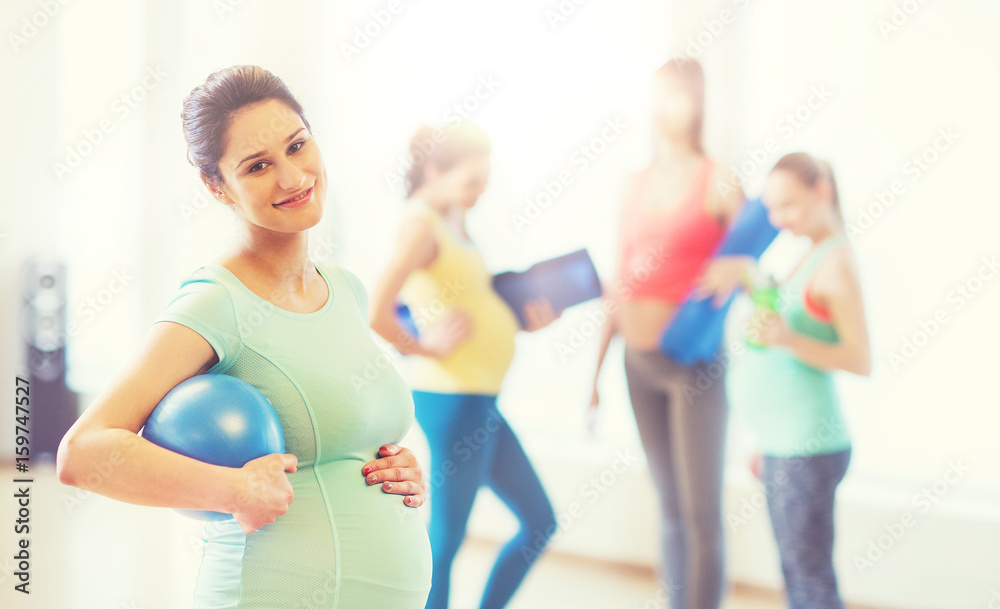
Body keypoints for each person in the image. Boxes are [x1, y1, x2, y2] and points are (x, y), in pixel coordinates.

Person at [56, 65, 432, 608]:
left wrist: (395, 465)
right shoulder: (217, 301)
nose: (292, 177)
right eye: (257, 166)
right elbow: (83, 453)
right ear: (217, 186)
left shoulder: (346, 289)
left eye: (297, 146)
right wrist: (230, 490)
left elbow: (342, 435)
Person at [368, 122, 559, 609]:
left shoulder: (453, 219)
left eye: (485, 182)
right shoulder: (420, 224)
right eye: (471, 182)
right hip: (452, 398)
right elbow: (377, 310)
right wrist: (425, 346)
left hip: (479, 398)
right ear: (434, 171)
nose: (480, 193)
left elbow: (471, 304)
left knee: (539, 521)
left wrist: (517, 320)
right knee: (447, 540)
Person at [590, 57, 745, 609]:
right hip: (638, 363)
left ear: (699, 103)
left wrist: (736, 282)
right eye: (657, 96)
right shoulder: (633, 184)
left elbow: (750, 270)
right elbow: (619, 282)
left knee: (701, 513)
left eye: (677, 96)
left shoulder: (720, 178)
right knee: (670, 507)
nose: (664, 109)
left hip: (694, 367)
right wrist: (595, 372)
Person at [696, 152, 871, 609]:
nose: (778, 220)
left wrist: (788, 337)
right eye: (771, 209)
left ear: (823, 191)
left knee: (809, 580)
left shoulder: (836, 264)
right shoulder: (811, 255)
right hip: (786, 446)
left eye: (788, 206)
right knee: (797, 575)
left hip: (807, 450)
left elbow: (860, 359)